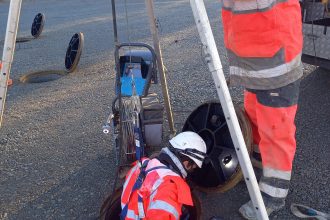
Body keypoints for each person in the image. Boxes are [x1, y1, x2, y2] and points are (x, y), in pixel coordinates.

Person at [220, 0, 303, 219]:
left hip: (274, 60)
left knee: (276, 131)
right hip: (255, 60)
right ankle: (257, 166)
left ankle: (272, 195)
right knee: (255, 118)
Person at [120, 131, 207, 220]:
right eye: (193, 167)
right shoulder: (171, 189)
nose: (192, 170)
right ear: (186, 163)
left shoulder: (142, 165)